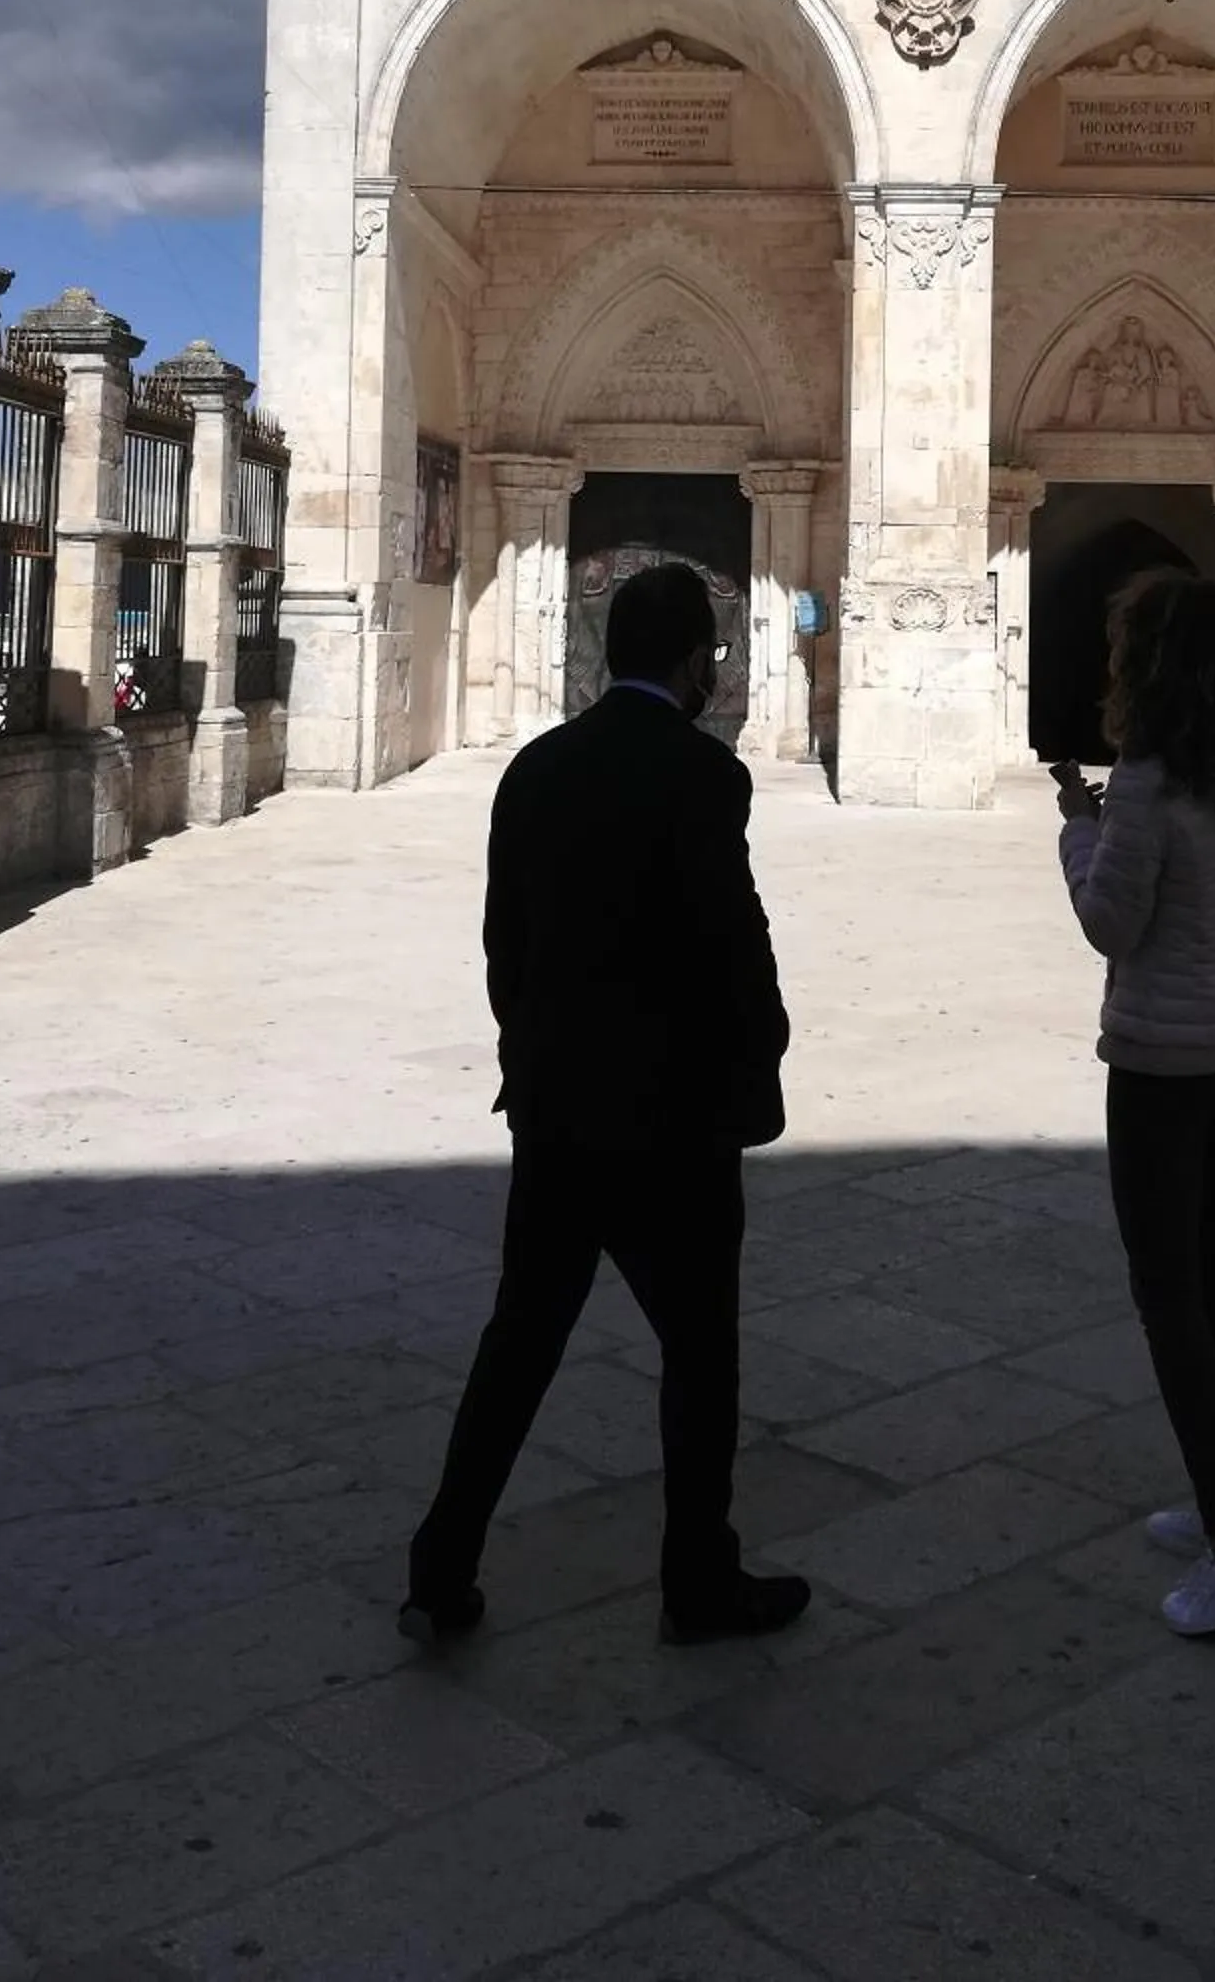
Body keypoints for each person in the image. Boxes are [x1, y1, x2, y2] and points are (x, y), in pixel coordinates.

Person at [400, 561, 809, 1651]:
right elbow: (735, 943)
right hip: (672, 1122)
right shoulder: (704, 776)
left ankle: (442, 1561)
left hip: (555, 1107)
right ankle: (698, 1583)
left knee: (521, 1339)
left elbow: (504, 947)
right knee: (700, 1353)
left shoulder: (534, 770)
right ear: (691, 661)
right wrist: (760, 1047)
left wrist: (534, 1049)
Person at [1051, 570, 1215, 1637]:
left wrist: (1077, 826)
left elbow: (1113, 923)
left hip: (1168, 1059)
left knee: (1170, 1294)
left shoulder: (1151, 778)